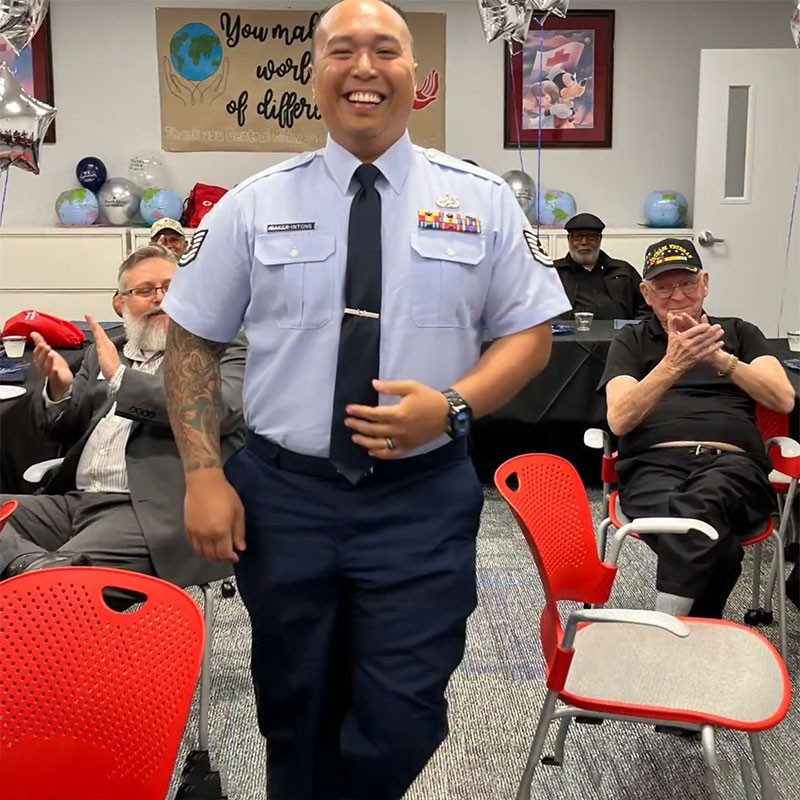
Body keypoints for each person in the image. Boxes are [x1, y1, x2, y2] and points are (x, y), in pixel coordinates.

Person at [159, 1, 570, 798]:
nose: (364, 68)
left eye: (386, 50)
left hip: (419, 497)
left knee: (405, 712)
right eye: (341, 50)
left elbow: (530, 336)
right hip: (285, 497)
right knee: (293, 703)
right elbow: (190, 340)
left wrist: (453, 404)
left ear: (416, 77)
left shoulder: (479, 199)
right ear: (315, 75)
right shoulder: (255, 203)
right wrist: (204, 476)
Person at [0, 245, 246, 588]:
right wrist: (60, 391)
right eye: (145, 291)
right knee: (43, 581)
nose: (159, 298)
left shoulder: (222, 346)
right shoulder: (106, 349)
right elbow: (61, 431)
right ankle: (31, 564)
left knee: (58, 590)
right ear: (120, 303)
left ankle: (34, 576)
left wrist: (121, 379)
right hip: (74, 501)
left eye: (170, 288)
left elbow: (224, 411)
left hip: (147, 510)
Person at [599, 238, 795, 619]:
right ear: (646, 293)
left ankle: (667, 627)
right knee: (716, 545)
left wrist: (719, 359)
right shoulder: (632, 341)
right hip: (652, 467)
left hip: (734, 466)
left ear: (704, 283)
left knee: (704, 501)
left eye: (686, 283)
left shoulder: (738, 333)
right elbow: (619, 418)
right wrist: (673, 365)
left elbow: (783, 399)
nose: (676, 295)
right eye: (663, 286)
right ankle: (700, 628)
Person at [555, 212, 649, 320]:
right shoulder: (553, 272)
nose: (584, 242)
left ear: (600, 239)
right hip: (566, 336)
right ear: (569, 239)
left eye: (591, 237)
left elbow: (646, 308)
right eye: (578, 237)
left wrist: (634, 332)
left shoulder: (623, 272)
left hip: (620, 336)